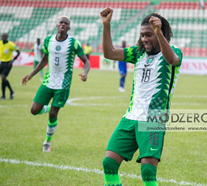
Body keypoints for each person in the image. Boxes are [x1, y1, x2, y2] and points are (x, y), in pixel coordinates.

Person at [100, 8, 182, 186]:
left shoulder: (173, 51)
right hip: (130, 117)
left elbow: (172, 60)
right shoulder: (138, 53)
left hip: (153, 119)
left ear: (160, 33)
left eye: (148, 34)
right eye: (142, 35)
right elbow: (109, 53)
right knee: (109, 163)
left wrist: (158, 33)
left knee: (148, 171)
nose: (144, 39)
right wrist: (106, 26)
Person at [21, 16, 90, 151]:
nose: (63, 24)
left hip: (63, 85)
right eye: (61, 22)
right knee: (34, 110)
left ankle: (47, 142)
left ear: (69, 27)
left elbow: (86, 61)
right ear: (57, 25)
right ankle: (47, 108)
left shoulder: (74, 43)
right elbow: (44, 59)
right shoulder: (48, 40)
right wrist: (31, 74)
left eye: (66, 23)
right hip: (48, 81)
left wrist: (85, 73)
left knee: (53, 114)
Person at [0, 33, 20, 100]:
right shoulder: (0, 43)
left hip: (8, 63)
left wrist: (12, 60)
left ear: (7, 37)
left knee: (3, 78)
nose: (3, 37)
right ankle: (4, 96)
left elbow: (18, 52)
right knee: (3, 79)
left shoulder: (11, 44)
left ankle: (11, 91)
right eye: (2, 36)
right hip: (2, 63)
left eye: (5, 36)